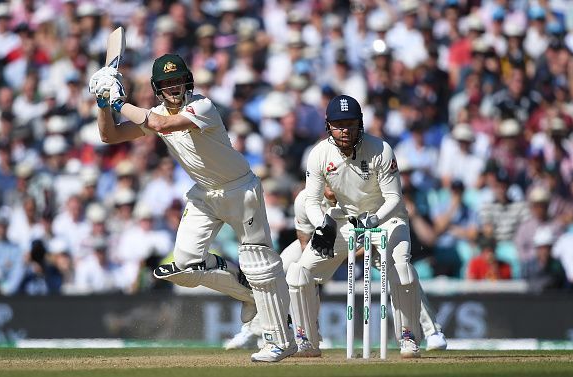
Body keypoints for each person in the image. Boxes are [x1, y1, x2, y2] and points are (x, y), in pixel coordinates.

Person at [88, 54, 295, 362]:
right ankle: (249, 292)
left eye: (178, 81)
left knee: (260, 263)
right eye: (167, 83)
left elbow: (162, 124)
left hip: (240, 189)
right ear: (158, 88)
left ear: (188, 81)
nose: (174, 88)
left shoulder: (202, 107)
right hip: (204, 193)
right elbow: (110, 135)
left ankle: (281, 340)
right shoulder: (154, 111)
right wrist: (104, 103)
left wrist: (120, 101)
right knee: (185, 263)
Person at [225, 186, 448, 353]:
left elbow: (370, 237)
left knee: (401, 272)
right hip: (324, 246)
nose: (330, 188)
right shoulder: (304, 200)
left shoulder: (356, 193)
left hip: (367, 241)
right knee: (281, 265)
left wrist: (347, 256)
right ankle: (258, 330)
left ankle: (433, 332)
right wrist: (324, 261)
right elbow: (304, 241)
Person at [286, 94, 423, 358]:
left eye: (350, 123)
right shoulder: (319, 154)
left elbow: (395, 198)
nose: (345, 130)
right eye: (339, 124)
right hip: (346, 221)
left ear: (360, 123)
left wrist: (374, 219)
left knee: (402, 270)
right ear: (328, 126)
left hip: (386, 219)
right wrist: (322, 224)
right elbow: (312, 200)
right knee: (299, 274)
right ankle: (307, 340)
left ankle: (408, 336)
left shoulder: (381, 150)